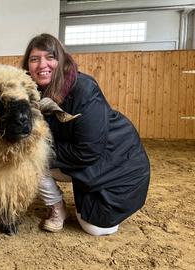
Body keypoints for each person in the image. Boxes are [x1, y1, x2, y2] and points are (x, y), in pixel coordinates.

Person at [22, 33, 150, 236]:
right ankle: (57, 207)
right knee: (26, 157)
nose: (42, 65)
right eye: (34, 59)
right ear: (27, 65)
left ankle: (97, 195)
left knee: (96, 228)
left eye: (50, 57)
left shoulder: (84, 89)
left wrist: (35, 148)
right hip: (84, 161)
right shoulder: (30, 92)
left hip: (118, 164)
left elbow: (88, 151)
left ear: (61, 60)